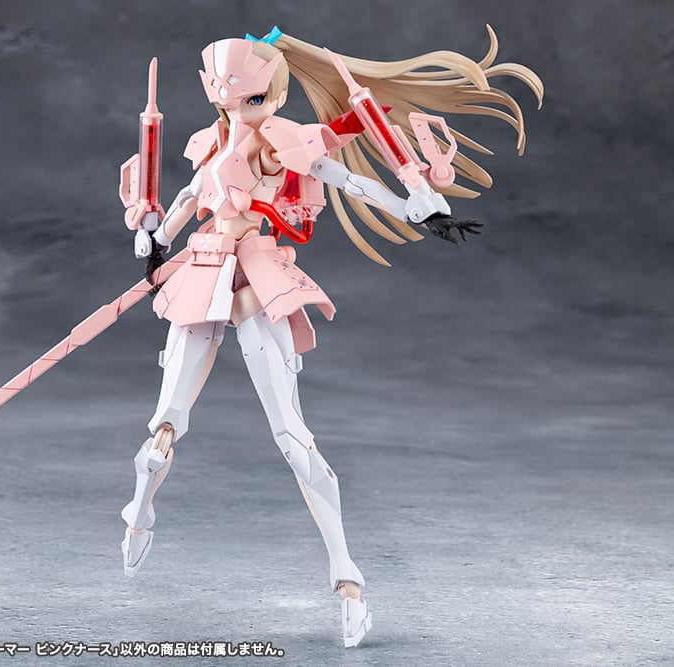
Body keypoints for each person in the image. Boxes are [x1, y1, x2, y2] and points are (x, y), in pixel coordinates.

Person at [119, 27, 542, 648]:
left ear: (271, 96)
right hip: (204, 270)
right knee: (165, 427)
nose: (240, 111)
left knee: (288, 437)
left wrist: (413, 208)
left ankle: (346, 579)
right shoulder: (208, 144)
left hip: (254, 277)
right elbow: (187, 197)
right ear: (215, 94)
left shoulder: (279, 144)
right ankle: (141, 508)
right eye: (229, 100)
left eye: (252, 100)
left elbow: (344, 179)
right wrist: (153, 233)